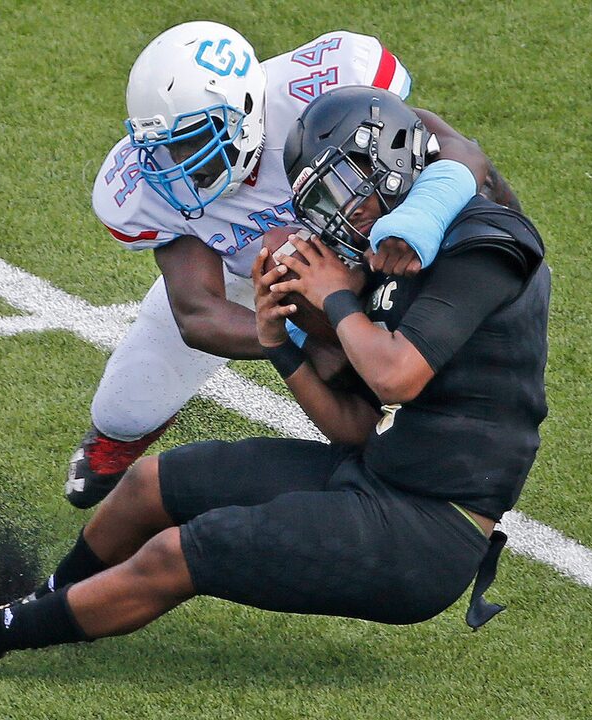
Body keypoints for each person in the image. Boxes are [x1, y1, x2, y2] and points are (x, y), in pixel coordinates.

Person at [0, 86, 549, 671]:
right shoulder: (391, 247)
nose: (343, 217)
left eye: (343, 188)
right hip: (378, 475)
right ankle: (37, 607)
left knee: (183, 553)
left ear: (390, 158)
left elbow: (397, 376)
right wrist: (280, 341)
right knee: (152, 484)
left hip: (431, 532)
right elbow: (355, 427)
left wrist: (336, 298)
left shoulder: (488, 245)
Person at [65, 20, 522, 509]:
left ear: (244, 109)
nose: (182, 163)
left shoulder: (322, 86)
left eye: (195, 140)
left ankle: (390, 458)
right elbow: (197, 312)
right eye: (168, 148)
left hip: (387, 238)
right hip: (262, 278)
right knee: (125, 408)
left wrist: (423, 219)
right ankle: (117, 444)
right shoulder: (151, 189)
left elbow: (464, 156)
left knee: (461, 245)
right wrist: (299, 338)